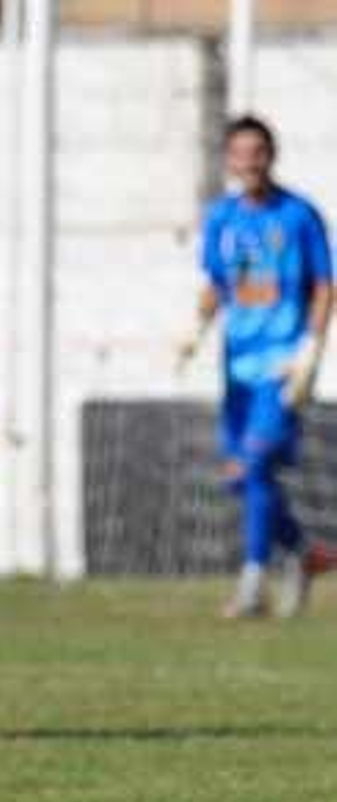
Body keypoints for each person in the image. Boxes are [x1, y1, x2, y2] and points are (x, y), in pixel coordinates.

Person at [181, 113, 336, 619]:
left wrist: (310, 349)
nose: (249, 162)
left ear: (272, 156)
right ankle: (302, 553)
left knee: (253, 463)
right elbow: (216, 285)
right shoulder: (223, 218)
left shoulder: (299, 215)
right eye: (240, 154)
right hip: (238, 368)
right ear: (228, 160)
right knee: (239, 477)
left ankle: (252, 587)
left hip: (282, 366)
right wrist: (195, 329)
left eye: (258, 152)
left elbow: (323, 285)